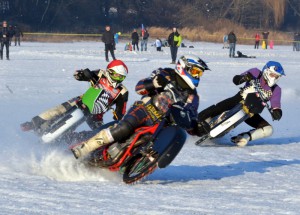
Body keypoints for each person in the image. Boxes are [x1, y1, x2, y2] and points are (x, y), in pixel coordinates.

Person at [71, 54, 210, 159]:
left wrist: (198, 128)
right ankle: (85, 148)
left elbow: (190, 118)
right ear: (184, 66)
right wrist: (153, 84)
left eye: (200, 73)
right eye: (196, 72)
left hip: (163, 125)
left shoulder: (194, 97)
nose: (198, 76)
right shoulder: (166, 74)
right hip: (145, 109)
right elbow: (139, 88)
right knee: (124, 128)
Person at [21, 60, 129, 137]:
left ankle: (73, 141)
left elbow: (121, 113)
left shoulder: (122, 92)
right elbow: (79, 76)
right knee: (58, 110)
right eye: (117, 76)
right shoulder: (100, 74)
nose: (119, 79)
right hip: (82, 101)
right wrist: (83, 74)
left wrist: (119, 119)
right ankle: (34, 123)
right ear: (109, 72)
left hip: (96, 114)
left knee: (99, 134)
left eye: (122, 77)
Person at [197, 61, 285, 147]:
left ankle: (243, 137)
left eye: (277, 77)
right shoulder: (255, 72)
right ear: (266, 71)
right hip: (238, 100)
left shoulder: (276, 89)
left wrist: (277, 111)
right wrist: (243, 78)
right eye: (272, 75)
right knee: (218, 108)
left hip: (251, 113)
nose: (274, 78)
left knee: (268, 130)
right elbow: (236, 80)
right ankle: (197, 122)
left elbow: (275, 103)